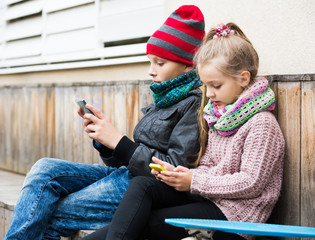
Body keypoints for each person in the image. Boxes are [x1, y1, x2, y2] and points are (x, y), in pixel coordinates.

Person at [4, 5, 206, 240]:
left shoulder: (194, 106)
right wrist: (105, 141)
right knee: (44, 169)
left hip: (139, 188)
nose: (151, 71)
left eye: (160, 63)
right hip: (122, 174)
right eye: (150, 61)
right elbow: (125, 158)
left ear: (188, 64)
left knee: (47, 211)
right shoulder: (164, 98)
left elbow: (174, 168)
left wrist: (119, 141)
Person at [82, 23, 285, 240]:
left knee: (145, 224)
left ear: (243, 79)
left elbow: (251, 183)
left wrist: (193, 181)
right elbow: (208, 166)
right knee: (143, 185)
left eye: (216, 86)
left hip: (235, 218)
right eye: (206, 86)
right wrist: (179, 174)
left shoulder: (262, 124)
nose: (210, 94)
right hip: (208, 199)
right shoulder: (221, 117)